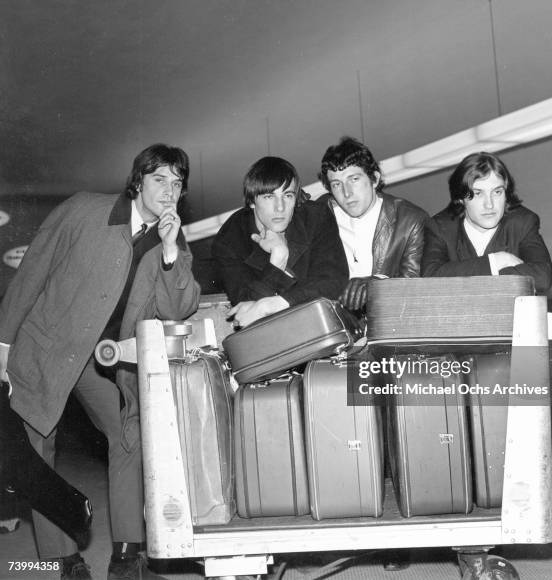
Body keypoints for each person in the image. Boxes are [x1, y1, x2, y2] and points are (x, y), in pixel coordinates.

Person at [0, 143, 201, 580]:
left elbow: (180, 307)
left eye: (177, 183)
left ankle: (127, 554)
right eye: (159, 180)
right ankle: (66, 559)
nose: (169, 192)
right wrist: (2, 346)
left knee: (131, 434)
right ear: (138, 181)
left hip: (105, 360)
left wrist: (169, 252)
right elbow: (32, 272)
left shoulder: (171, 239)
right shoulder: (83, 210)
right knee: (37, 445)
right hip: (48, 348)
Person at [212, 156, 348, 327]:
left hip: (320, 328)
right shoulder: (230, 240)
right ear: (252, 201)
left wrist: (271, 304)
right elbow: (246, 312)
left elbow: (333, 282)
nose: (280, 207)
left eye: (288, 195)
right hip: (272, 340)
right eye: (269, 197)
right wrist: (277, 261)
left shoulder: (315, 217)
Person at [318, 136, 428, 310]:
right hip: (335, 324)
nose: (347, 193)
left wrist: (379, 284)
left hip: (387, 322)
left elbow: (415, 285)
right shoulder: (319, 215)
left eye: (354, 179)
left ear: (374, 179)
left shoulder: (410, 220)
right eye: (337, 184)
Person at [421, 151, 552, 292]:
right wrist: (495, 262)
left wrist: (462, 276)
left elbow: (542, 277)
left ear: (506, 194)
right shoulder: (440, 227)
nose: (489, 205)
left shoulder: (523, 222)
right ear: (460, 198)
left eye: (497, 192)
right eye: (478, 193)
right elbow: (430, 278)